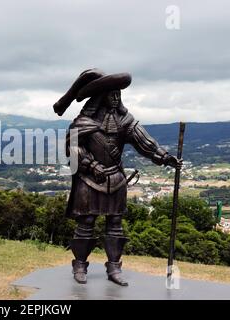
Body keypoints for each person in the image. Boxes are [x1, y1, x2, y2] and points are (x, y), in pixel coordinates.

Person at [53, 69, 182, 286]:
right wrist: (92, 165)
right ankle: (80, 264)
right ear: (100, 97)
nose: (115, 98)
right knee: (86, 222)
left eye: (118, 94)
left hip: (116, 179)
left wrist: (165, 157)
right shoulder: (83, 122)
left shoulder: (125, 121)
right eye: (111, 94)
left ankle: (114, 265)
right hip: (89, 180)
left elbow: (145, 143)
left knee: (115, 224)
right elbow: (72, 148)